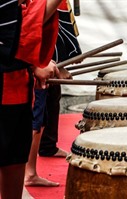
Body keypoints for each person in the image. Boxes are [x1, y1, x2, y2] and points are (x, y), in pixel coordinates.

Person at [0, 0, 62, 198]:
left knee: (15, 159)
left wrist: (33, 64)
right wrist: (32, 61)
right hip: (5, 90)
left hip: (16, 88)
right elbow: (16, 33)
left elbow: (21, 22)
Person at [24, 0, 82, 187]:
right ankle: (29, 172)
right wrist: (38, 63)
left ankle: (35, 164)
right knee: (35, 119)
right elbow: (31, 26)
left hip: (37, 60)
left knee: (41, 116)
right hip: (29, 65)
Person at [39, 0, 82, 158]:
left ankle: (48, 146)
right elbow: (38, 22)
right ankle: (31, 167)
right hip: (38, 58)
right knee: (39, 106)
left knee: (51, 96)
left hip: (44, 59)